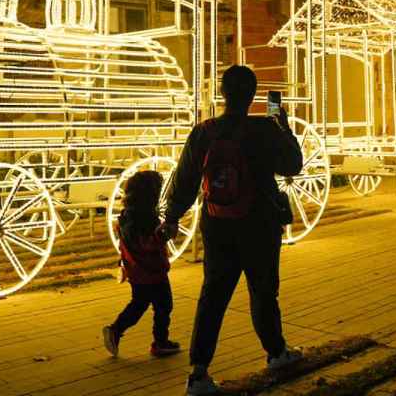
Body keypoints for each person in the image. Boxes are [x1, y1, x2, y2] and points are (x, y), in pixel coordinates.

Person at [162, 65, 304, 396]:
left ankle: (198, 373)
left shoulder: (205, 131)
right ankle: (276, 352)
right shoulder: (265, 130)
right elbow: (292, 165)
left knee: (212, 295)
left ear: (223, 94)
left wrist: (171, 217)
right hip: (260, 224)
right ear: (253, 95)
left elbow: (184, 181)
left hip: (217, 223)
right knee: (263, 291)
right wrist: (283, 126)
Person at [102, 170, 182, 358]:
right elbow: (147, 243)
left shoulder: (127, 215)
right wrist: (164, 234)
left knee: (139, 304)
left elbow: (128, 242)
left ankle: (116, 330)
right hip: (152, 269)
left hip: (136, 270)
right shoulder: (145, 217)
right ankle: (160, 342)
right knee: (164, 305)